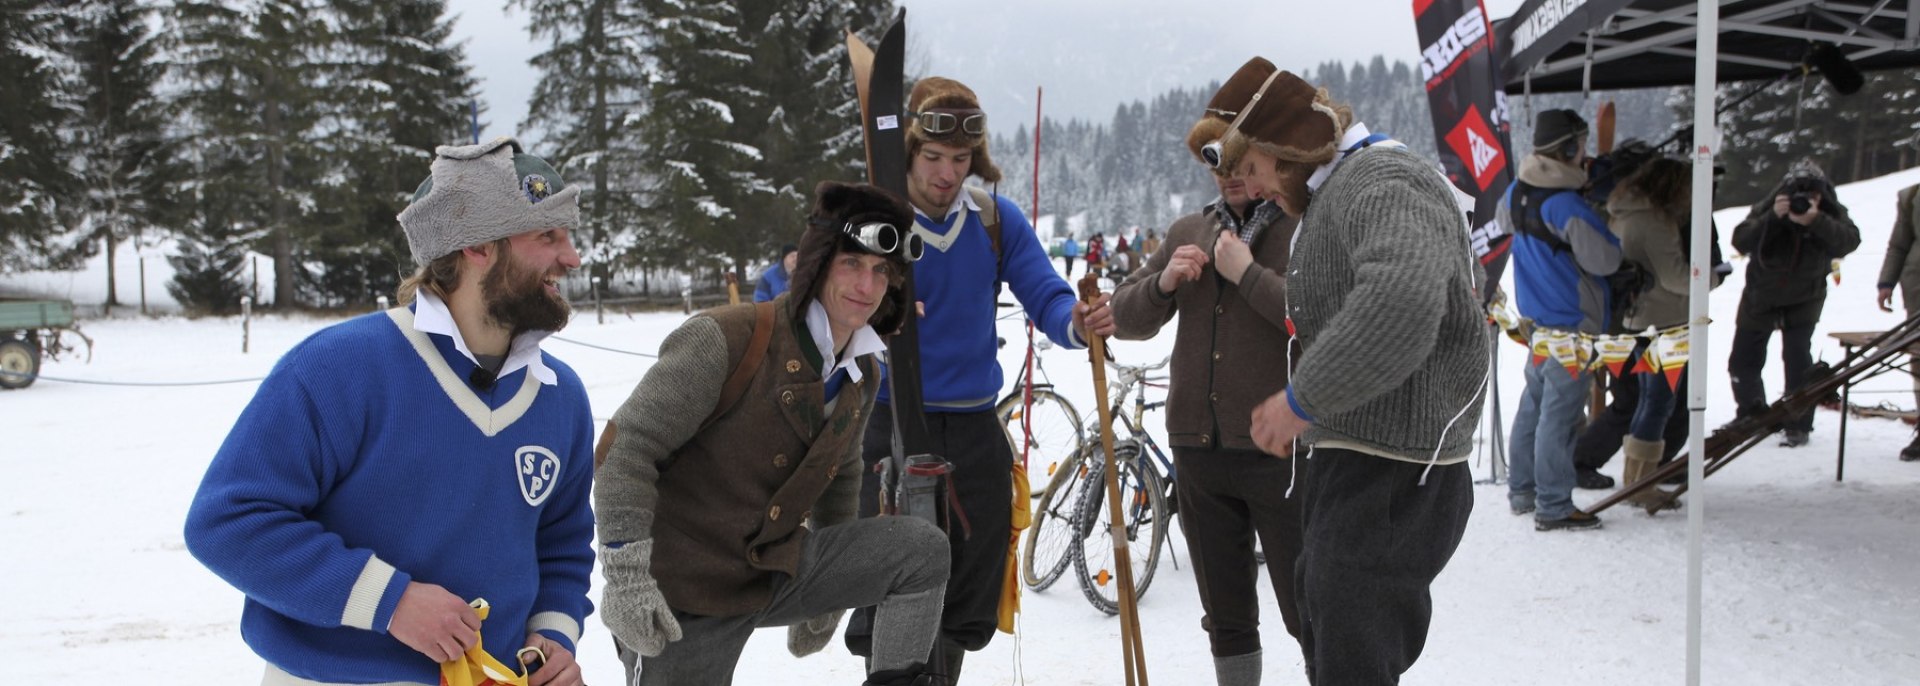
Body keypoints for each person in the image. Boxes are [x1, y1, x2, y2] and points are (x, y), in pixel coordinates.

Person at [183, 137, 595, 686]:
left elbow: (561, 542)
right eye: (548, 236)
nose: (571, 258)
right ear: (477, 247)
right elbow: (229, 522)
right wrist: (391, 601)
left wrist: (553, 635)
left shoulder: (559, 394)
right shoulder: (338, 368)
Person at [596, 181, 950, 686]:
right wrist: (626, 577)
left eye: (881, 271)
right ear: (819, 262)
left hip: (773, 569)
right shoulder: (724, 337)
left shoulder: (863, 372)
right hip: (683, 593)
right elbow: (625, 451)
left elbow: (843, 474)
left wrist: (830, 591)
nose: (866, 286)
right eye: (851, 263)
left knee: (920, 551)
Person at [1217, 58, 1486, 684]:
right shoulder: (1339, 190)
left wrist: (1300, 399)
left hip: (1397, 466)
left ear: (1288, 151)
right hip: (1361, 455)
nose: (1252, 189)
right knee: (1329, 619)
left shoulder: (1380, 181)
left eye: (1253, 169)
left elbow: (1401, 300)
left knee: (1351, 641)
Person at [842, 75, 1116, 683]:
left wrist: (1075, 318)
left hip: (971, 429)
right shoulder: (873, 222)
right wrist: (872, 310)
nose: (947, 172)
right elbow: (823, 299)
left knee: (965, 587)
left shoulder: (995, 220)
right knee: (884, 580)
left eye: (960, 159)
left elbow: (1045, 294)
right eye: (933, 157)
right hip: (887, 423)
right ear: (908, 152)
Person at [1108, 79, 1303, 686]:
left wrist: (1246, 275)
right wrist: (1163, 282)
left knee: (1309, 605)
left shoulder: (1300, 227)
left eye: (1242, 163)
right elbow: (1126, 316)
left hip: (1282, 451)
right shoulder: (1189, 230)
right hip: (1197, 447)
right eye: (1216, 164)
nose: (1229, 177)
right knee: (1225, 614)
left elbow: (1315, 316)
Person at [1502, 108, 1621, 531]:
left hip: (1535, 322)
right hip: (1571, 324)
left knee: (1533, 406)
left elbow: (1504, 222)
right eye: (1582, 145)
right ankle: (1553, 505)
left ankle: (1523, 492)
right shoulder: (1568, 205)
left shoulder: (1516, 191)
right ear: (1569, 148)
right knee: (1561, 416)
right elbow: (1606, 260)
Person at [1609, 157, 1720, 505]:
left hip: (1640, 318)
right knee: (1658, 402)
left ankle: (1636, 479)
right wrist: (1712, 278)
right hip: (1664, 321)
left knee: (1650, 399)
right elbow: (1674, 277)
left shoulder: (1623, 213)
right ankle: (1641, 485)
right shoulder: (1655, 221)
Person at [1728, 159, 1860, 447]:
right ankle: (1752, 414)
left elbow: (1850, 242)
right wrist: (1773, 218)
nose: (1804, 199)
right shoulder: (1770, 207)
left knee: (1798, 362)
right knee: (1743, 361)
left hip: (1805, 298)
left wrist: (1816, 220)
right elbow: (1740, 240)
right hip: (1760, 296)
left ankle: (1798, 423)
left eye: (1812, 193)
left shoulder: (1829, 211)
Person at [1875, 181, 1920, 460]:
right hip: (1917, 287)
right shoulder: (1911, 196)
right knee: (1919, 356)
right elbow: (1899, 243)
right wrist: (1886, 282)